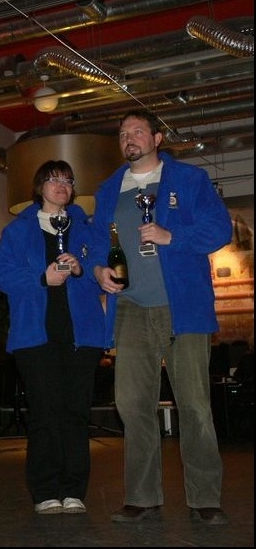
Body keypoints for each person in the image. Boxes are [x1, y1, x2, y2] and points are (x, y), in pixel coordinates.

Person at [89, 109, 232, 525]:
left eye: (137, 131)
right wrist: (98, 271)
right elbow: (97, 242)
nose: (129, 138)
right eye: (123, 133)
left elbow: (219, 228)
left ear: (156, 138)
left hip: (183, 307)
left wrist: (174, 236)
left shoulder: (189, 179)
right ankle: (142, 496)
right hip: (131, 308)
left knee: (195, 406)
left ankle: (205, 498)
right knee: (132, 404)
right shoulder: (109, 189)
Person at [0, 160, 107, 515]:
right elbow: (2, 275)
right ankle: (45, 490)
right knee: (45, 412)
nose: (62, 185)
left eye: (68, 180)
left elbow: (102, 271)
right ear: (39, 187)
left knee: (76, 413)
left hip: (81, 335)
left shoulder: (86, 228)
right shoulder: (17, 230)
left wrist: (82, 269)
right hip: (35, 336)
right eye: (54, 179)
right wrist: (42, 278)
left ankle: (74, 490)